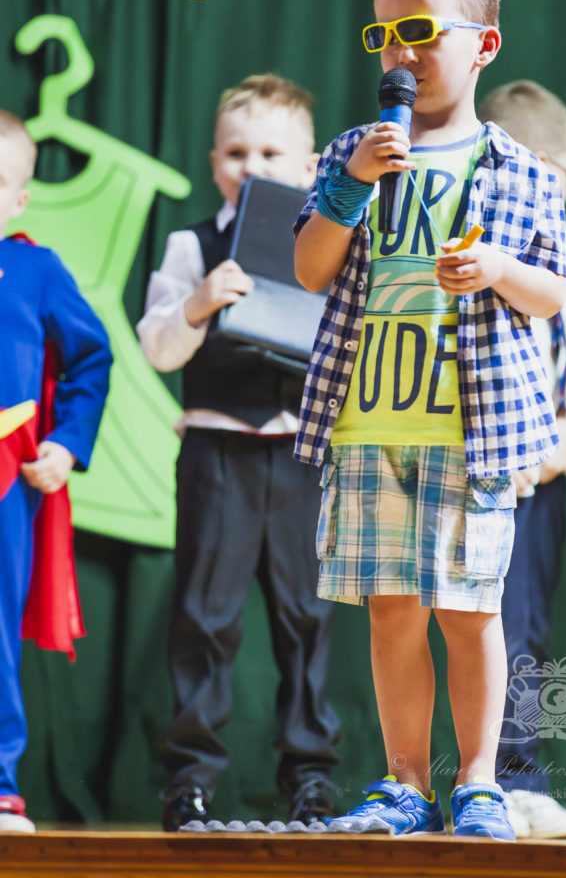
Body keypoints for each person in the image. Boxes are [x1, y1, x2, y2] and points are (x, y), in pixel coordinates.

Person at [293, 0, 566, 840]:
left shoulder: (520, 170)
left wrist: (496, 269)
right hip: (369, 425)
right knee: (391, 615)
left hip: (470, 432)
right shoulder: (353, 152)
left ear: (483, 44)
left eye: (419, 31)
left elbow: (552, 294)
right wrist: (351, 183)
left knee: (469, 611)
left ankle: (480, 782)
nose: (399, 54)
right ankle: (405, 783)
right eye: (383, 36)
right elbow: (309, 268)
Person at [137, 74, 341, 831]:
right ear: (214, 161)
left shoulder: (332, 244)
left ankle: (312, 778)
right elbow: (157, 348)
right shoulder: (193, 244)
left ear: (311, 165)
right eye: (235, 152)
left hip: (301, 453)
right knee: (204, 616)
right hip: (217, 450)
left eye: (270, 152)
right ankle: (190, 780)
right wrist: (196, 306)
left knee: (308, 618)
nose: (251, 165)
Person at [476, 81, 566, 839]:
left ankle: (521, 775)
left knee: (530, 631)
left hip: (544, 479)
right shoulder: (478, 249)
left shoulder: (551, 253)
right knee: (493, 630)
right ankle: (498, 782)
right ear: (539, 167)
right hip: (495, 472)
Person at [0, 110, 112, 833]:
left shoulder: (36, 270)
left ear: (19, 198)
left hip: (6, 481)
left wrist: (66, 445)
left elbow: (91, 360)